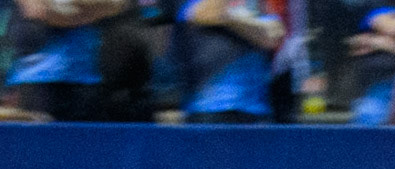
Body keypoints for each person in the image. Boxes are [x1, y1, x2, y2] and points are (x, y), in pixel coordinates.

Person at [5, 0, 151, 120]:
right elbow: (38, 11)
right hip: (39, 81)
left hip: (85, 78)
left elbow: (113, 5)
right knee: (39, 147)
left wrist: (74, 10)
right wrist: (82, 11)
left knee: (83, 146)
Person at [173, 0, 283, 121]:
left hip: (257, 110)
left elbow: (272, 36)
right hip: (209, 110)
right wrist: (250, 24)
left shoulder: (254, 5)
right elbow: (210, 13)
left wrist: (230, 19)